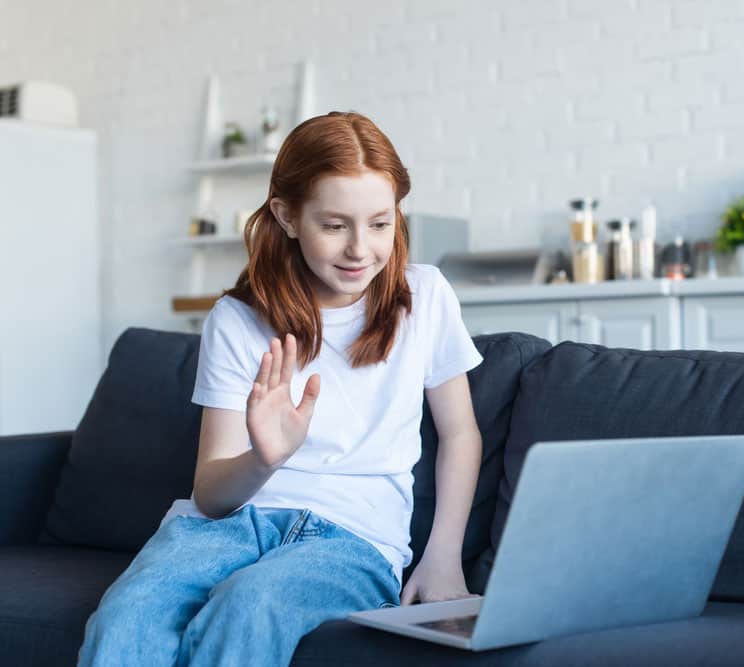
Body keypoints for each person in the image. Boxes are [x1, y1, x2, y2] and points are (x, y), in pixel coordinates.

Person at [78, 111, 484, 666]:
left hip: (351, 541)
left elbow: (461, 433)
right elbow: (212, 495)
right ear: (287, 216)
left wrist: (444, 556)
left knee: (249, 606)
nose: (360, 249)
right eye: (335, 225)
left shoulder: (426, 296)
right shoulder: (238, 320)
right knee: (128, 616)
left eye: (380, 223)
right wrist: (265, 459)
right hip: (221, 529)